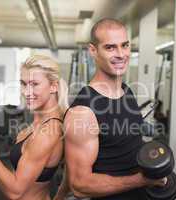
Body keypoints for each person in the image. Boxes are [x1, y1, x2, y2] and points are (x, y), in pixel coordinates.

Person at [61, 18, 166, 200]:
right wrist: (141, 180)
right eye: (110, 47)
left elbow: (128, 145)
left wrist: (154, 164)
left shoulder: (127, 91)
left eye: (125, 46)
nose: (121, 54)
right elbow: (79, 185)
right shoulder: (83, 112)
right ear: (93, 51)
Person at [0, 55, 68, 200]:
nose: (26, 92)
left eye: (34, 84)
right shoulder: (40, 124)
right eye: (23, 84)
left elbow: (15, 192)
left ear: (53, 86)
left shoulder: (47, 132)